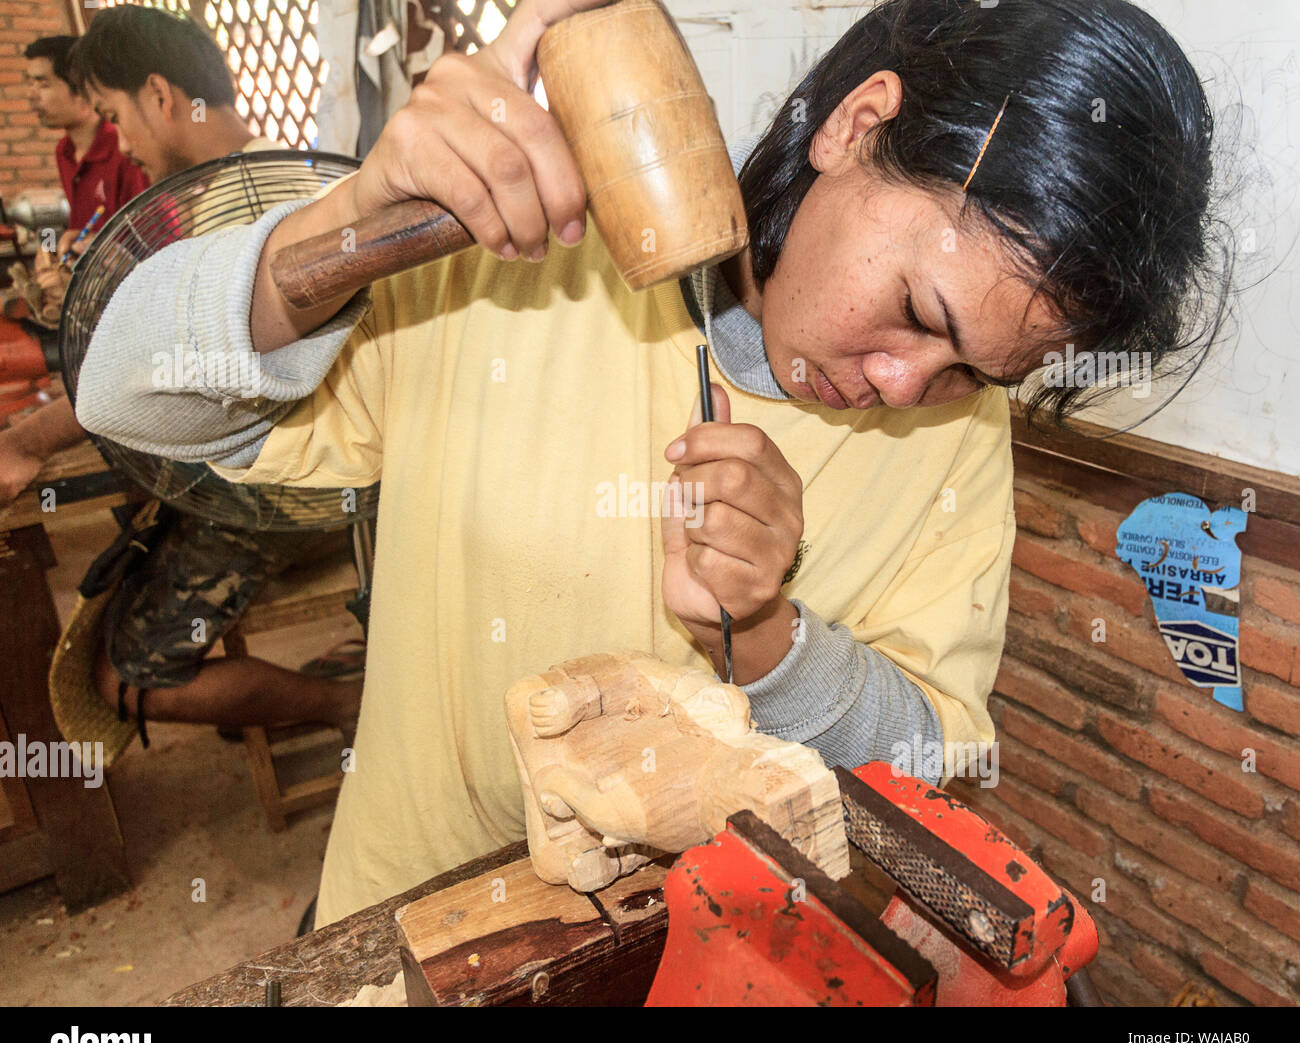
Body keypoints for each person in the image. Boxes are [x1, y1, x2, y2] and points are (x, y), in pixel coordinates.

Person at [75, 0, 1231, 929]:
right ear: (855, 123)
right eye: (915, 309)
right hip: (411, 919)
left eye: (971, 369)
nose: (901, 387)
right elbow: (122, 394)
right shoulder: (518, 261)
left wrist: (772, 634)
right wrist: (342, 236)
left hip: (680, 950)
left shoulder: (953, 439)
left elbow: (932, 753)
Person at [0, 6, 364, 753]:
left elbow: (170, 365)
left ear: (161, 98)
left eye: (115, 115)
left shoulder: (242, 205)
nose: (122, 141)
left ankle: (344, 703)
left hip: (288, 489)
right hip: (300, 471)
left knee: (126, 676)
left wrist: (30, 438)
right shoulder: (264, 177)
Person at [24, 35, 148, 243]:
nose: (31, 94)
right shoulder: (65, 151)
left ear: (82, 90)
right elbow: (82, 231)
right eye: (31, 83)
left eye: (43, 84)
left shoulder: (126, 149)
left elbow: (151, 241)